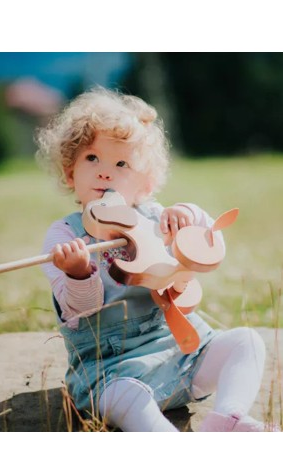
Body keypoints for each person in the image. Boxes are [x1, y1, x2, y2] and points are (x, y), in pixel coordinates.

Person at [37, 87, 275, 432]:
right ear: (70, 172)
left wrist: (189, 215)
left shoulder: (155, 216)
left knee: (247, 342)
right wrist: (78, 273)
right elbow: (79, 310)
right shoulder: (65, 237)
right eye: (92, 159)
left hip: (182, 353)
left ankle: (229, 418)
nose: (105, 173)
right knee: (124, 398)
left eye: (121, 164)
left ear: (146, 183)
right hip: (113, 370)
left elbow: (209, 243)